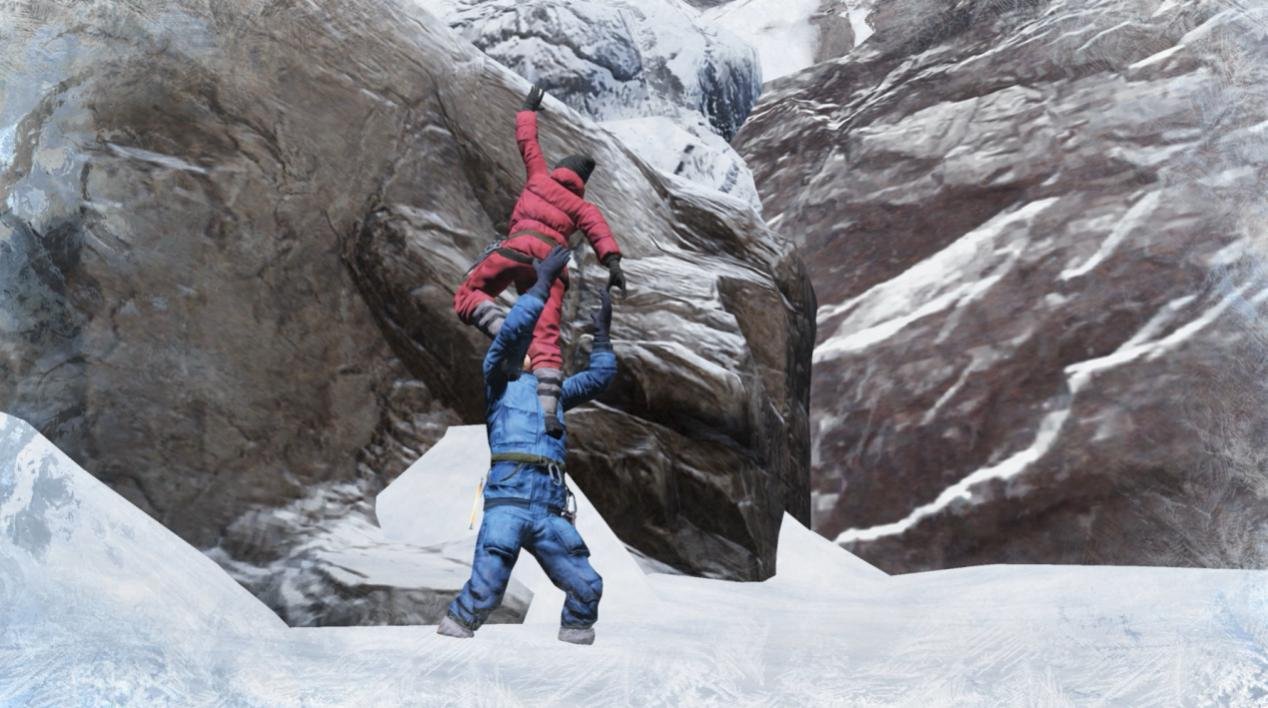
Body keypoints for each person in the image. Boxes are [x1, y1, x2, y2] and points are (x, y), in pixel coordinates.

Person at [439, 245, 616, 645]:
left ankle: (572, 644)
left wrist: (603, 337)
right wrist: (539, 288)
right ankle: (445, 657)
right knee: (484, 593)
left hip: (549, 508)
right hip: (510, 500)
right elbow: (512, 336)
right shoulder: (499, 378)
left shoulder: (555, 393)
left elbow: (600, 377)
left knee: (588, 587)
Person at [452, 84, 627, 440]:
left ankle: (508, 335)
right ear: (581, 185)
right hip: (553, 260)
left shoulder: (539, 178)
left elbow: (528, 144)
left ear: (561, 171)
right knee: (546, 342)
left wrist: (527, 110)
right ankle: (550, 412)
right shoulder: (583, 207)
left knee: (470, 293)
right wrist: (613, 264)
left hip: (517, 247)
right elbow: (599, 231)